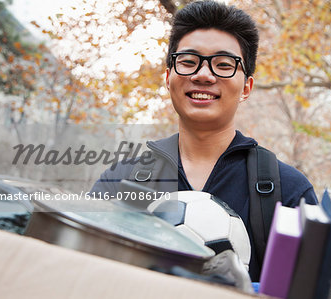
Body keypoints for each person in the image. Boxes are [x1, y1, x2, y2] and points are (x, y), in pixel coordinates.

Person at [91, 0, 318, 281]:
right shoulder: (119, 181)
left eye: (223, 65)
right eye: (188, 62)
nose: (203, 75)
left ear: (246, 86)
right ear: (168, 77)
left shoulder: (290, 192)